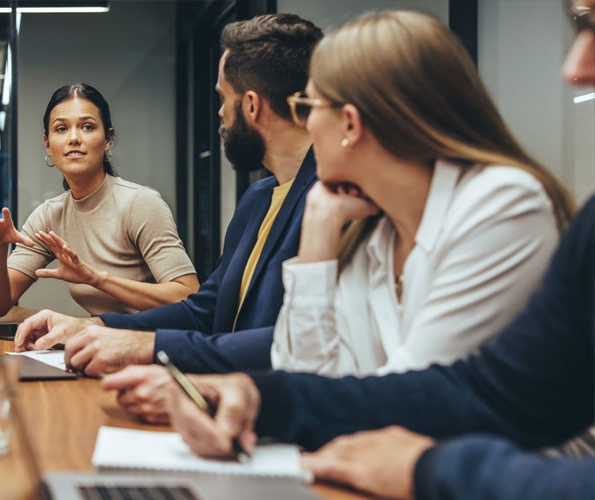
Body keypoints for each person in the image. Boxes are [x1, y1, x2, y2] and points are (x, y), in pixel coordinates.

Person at [163, 3, 595, 498]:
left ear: (348, 124)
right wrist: (319, 236)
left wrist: (272, 401)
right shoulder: (370, 226)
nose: (302, 125)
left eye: (308, 107)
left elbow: (423, 407)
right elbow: (307, 373)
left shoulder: (502, 203)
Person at [13, 14, 323, 376]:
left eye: (224, 98)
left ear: (251, 105)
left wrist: (145, 346)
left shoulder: (333, 203)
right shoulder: (258, 199)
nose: (220, 112)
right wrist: (94, 327)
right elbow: (204, 310)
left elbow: (301, 344)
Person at [0, 83, 198, 318]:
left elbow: (187, 298)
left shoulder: (140, 203)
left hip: (155, 346)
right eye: (61, 129)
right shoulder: (50, 215)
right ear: (47, 144)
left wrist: (96, 278)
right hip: (100, 344)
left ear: (108, 139)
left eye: (87, 127)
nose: (73, 138)